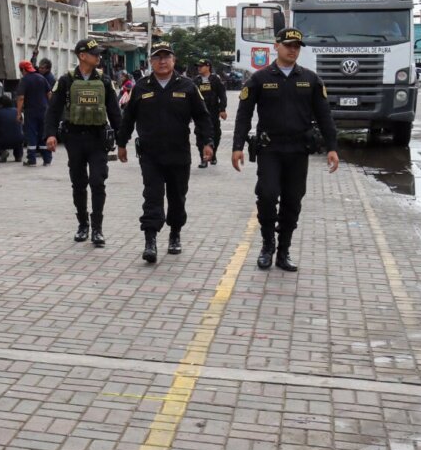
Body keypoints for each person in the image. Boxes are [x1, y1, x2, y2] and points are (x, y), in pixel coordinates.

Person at [232, 27, 339, 272]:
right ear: (276, 46)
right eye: (288, 45)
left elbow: (325, 116)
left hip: (298, 150)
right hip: (270, 149)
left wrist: (332, 147)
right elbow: (244, 114)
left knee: (293, 200)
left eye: (297, 46)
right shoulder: (259, 79)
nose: (293, 50)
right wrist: (237, 146)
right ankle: (267, 244)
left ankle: (283, 250)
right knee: (267, 195)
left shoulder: (311, 79)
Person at [117, 43, 214, 264]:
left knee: (177, 197)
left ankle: (175, 233)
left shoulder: (188, 86)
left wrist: (207, 143)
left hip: (179, 154)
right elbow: (128, 118)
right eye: (157, 58)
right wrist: (121, 143)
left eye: (166, 57)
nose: (162, 61)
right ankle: (150, 240)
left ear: (174, 60)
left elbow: (202, 117)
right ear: (151, 62)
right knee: (152, 197)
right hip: (150, 155)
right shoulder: (141, 87)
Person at [44, 38, 123, 247]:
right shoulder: (66, 81)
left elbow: (115, 112)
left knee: (97, 181)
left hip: (98, 139)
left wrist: (122, 139)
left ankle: (97, 228)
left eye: (98, 53)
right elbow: (53, 110)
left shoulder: (105, 81)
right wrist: (50, 134)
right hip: (75, 139)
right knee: (78, 183)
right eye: (94, 53)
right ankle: (82, 225)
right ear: (82, 56)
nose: (98, 57)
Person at [194, 58, 228, 168]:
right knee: (200, 135)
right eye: (198, 66)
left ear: (208, 67)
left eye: (201, 66)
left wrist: (222, 109)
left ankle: (213, 154)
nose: (199, 68)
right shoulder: (196, 81)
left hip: (213, 112)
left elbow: (222, 95)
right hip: (199, 113)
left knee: (215, 134)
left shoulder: (215, 79)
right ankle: (203, 158)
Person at [17, 61, 52, 166]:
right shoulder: (41, 78)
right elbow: (49, 93)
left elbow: (21, 97)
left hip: (31, 111)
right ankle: (47, 159)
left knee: (31, 134)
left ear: (23, 70)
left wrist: (18, 113)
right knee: (43, 134)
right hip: (44, 110)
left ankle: (32, 160)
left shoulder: (24, 80)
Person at [0, 93, 24, 163]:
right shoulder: (17, 111)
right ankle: (18, 156)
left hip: (3, 142)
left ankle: (1, 153)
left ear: (1, 104)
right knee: (18, 138)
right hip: (19, 140)